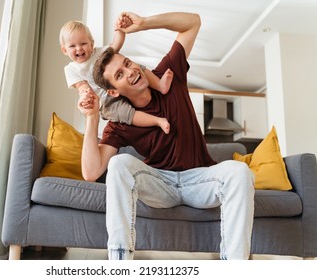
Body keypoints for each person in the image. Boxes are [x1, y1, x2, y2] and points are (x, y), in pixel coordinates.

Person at [78, 11, 255, 260]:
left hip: (200, 180)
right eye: (119, 75)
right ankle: (119, 264)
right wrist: (91, 117)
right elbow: (91, 172)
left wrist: (144, 24)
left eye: (127, 63)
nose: (129, 72)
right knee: (119, 163)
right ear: (114, 92)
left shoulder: (168, 75)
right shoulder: (120, 120)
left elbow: (193, 22)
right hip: (161, 185)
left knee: (240, 171)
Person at [59, 18, 174, 134]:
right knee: (124, 113)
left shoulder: (98, 53)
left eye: (83, 43)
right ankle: (157, 121)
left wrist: (120, 29)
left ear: (91, 44)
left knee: (135, 67)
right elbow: (82, 87)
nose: (79, 48)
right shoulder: (71, 69)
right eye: (72, 46)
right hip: (105, 100)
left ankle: (160, 85)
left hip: (119, 84)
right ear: (64, 50)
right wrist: (86, 97)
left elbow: (116, 45)